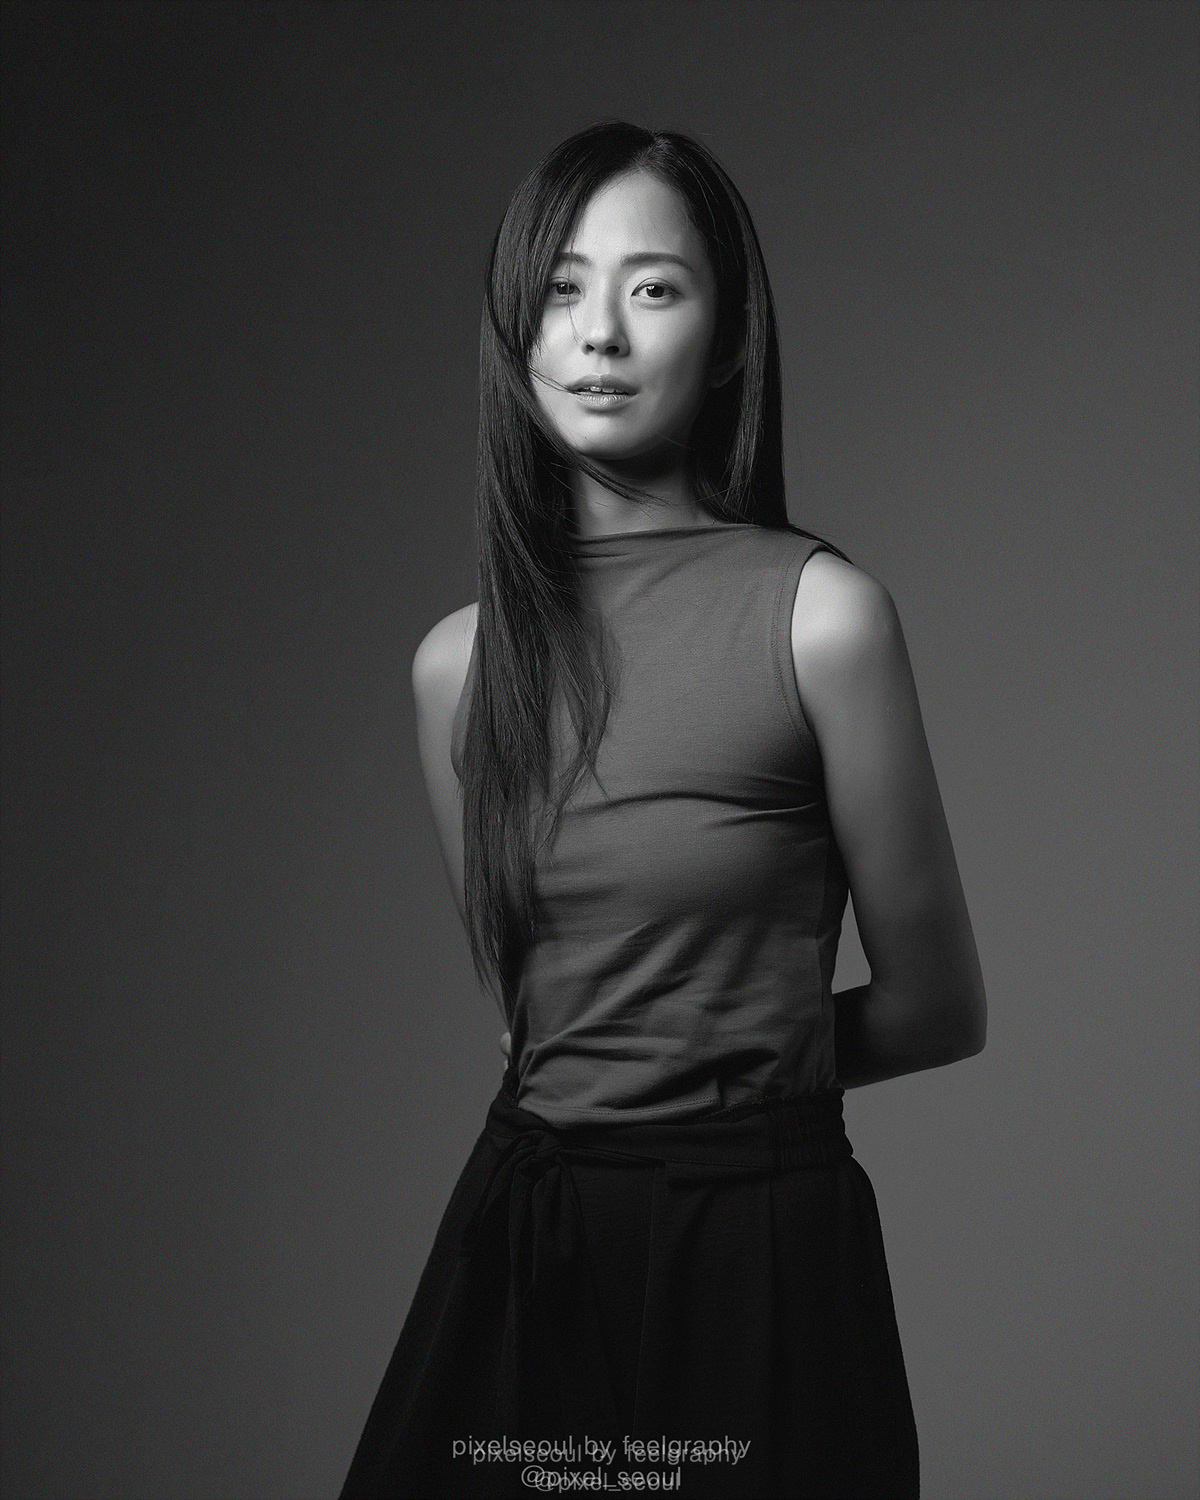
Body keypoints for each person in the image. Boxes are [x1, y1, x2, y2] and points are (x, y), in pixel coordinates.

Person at [339, 121, 986, 1500]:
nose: (600, 334)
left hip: (762, 1252)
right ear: (514, 333)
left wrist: (730, 1067)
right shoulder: (458, 668)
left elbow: (939, 1008)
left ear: (730, 334)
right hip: (529, 1243)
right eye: (561, 290)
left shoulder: (823, 618)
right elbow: (539, 1016)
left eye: (654, 288)